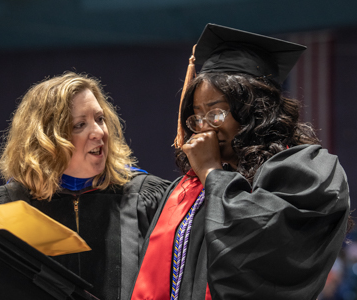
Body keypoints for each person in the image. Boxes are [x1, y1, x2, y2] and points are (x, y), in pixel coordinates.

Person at [130, 24, 352, 300]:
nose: (205, 128)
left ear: (255, 111)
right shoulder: (185, 190)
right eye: (197, 116)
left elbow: (261, 252)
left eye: (217, 113)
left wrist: (213, 173)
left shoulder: (307, 169)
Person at [0, 72, 171, 300]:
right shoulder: (5, 206)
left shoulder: (144, 197)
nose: (99, 132)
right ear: (46, 139)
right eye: (80, 124)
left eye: (100, 119)